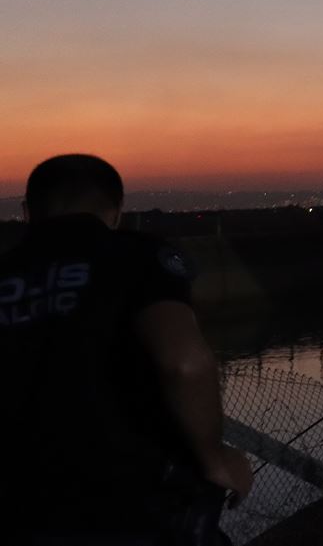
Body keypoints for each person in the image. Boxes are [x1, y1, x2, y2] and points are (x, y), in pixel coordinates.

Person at [0, 154, 253, 545]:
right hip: (131, 505)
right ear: (117, 211)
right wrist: (213, 456)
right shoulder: (135, 256)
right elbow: (184, 362)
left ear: (26, 212)